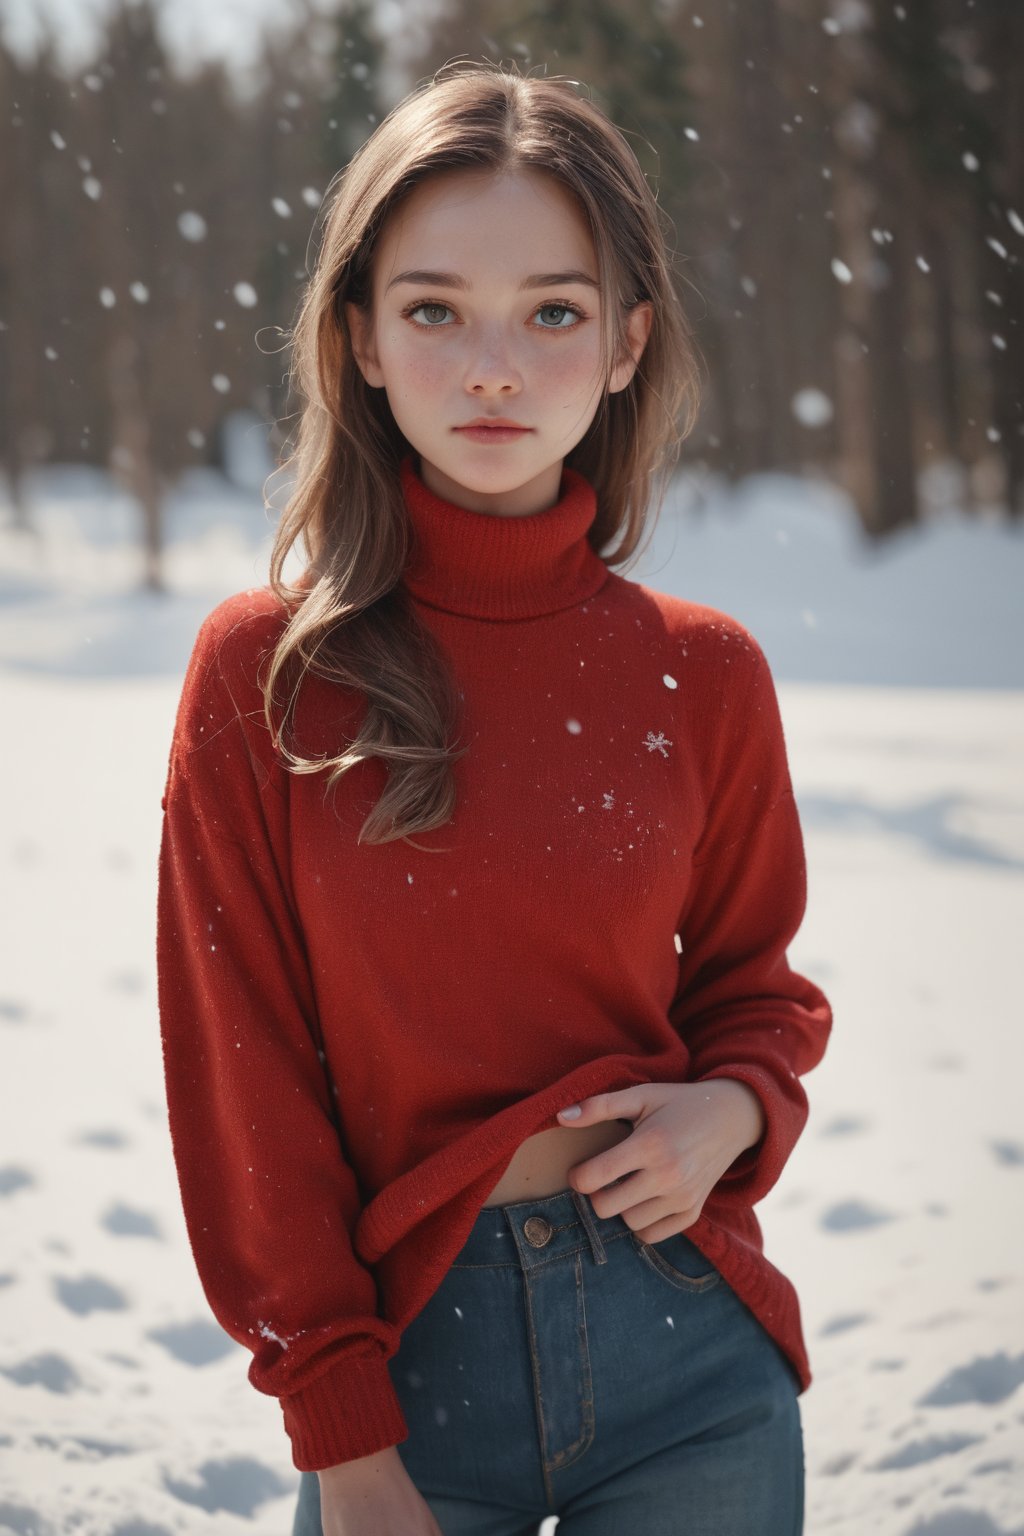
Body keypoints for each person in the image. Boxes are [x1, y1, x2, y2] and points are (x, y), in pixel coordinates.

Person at [156, 60, 832, 1536]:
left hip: (687, 1354)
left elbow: (754, 990)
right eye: (434, 309)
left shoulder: (703, 674)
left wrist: (735, 1110)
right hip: (407, 1366)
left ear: (628, 342)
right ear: (362, 341)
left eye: (553, 312)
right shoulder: (266, 676)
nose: (493, 369)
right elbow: (244, 1080)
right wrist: (340, 1425)